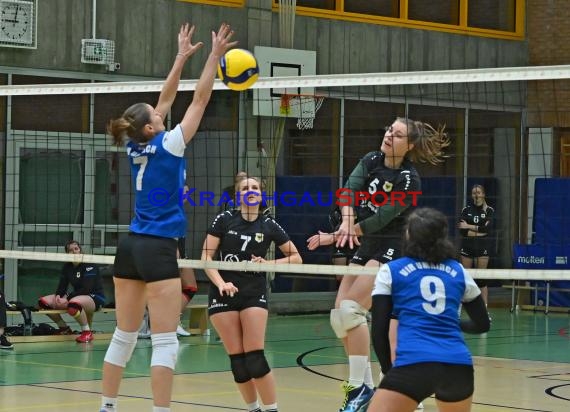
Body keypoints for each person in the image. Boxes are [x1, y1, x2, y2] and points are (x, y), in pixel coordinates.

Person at [100, 23, 236, 412]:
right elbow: (200, 100)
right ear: (150, 126)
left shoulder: (134, 145)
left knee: (123, 337)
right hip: (160, 247)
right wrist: (213, 56)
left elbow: (166, 97)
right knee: (163, 341)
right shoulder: (171, 144)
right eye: (158, 117)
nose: (163, 116)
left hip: (130, 246)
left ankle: (107, 406)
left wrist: (180, 57)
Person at [307, 117, 450, 412]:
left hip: (394, 246)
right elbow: (348, 191)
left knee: (351, 310)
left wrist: (338, 234)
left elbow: (380, 219)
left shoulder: (409, 179)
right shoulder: (371, 159)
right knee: (339, 317)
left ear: (409, 145)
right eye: (388, 130)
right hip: (367, 241)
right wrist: (346, 222)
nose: (388, 136)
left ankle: (360, 388)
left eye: (397, 135)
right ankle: (368, 387)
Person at [368, 207, 491, 412]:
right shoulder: (458, 270)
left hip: (414, 363)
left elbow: (379, 331)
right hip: (458, 366)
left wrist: (388, 371)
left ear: (409, 236)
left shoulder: (391, 270)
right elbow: (482, 324)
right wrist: (450, 322)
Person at [201, 175, 302, 412]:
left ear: (261, 194)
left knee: (255, 357)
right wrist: (221, 283)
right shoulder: (224, 219)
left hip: (253, 291)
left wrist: (269, 264)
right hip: (222, 292)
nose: (250, 190)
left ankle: (272, 409)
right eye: (245, 188)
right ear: (238, 196)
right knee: (238, 360)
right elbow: (206, 258)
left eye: (255, 187)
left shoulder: (269, 224)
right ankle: (253, 408)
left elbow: (296, 257)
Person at [38, 240, 105, 343]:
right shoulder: (67, 267)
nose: (74, 252)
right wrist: (58, 296)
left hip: (94, 296)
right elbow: (62, 286)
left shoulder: (89, 264)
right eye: (70, 250)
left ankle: (87, 332)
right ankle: (64, 328)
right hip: (78, 295)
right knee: (43, 303)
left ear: (80, 250)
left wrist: (67, 299)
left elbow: (87, 288)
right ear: (67, 254)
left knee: (73, 305)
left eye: (76, 249)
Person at [458, 184, 495, 305]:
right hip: (468, 246)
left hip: (483, 247)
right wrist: (479, 231)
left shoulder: (489, 210)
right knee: (466, 278)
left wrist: (469, 226)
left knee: (481, 279)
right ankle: (464, 306)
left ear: (483, 194)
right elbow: (462, 231)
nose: (476, 195)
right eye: (474, 193)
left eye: (479, 192)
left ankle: (484, 307)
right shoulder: (466, 210)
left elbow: (488, 230)